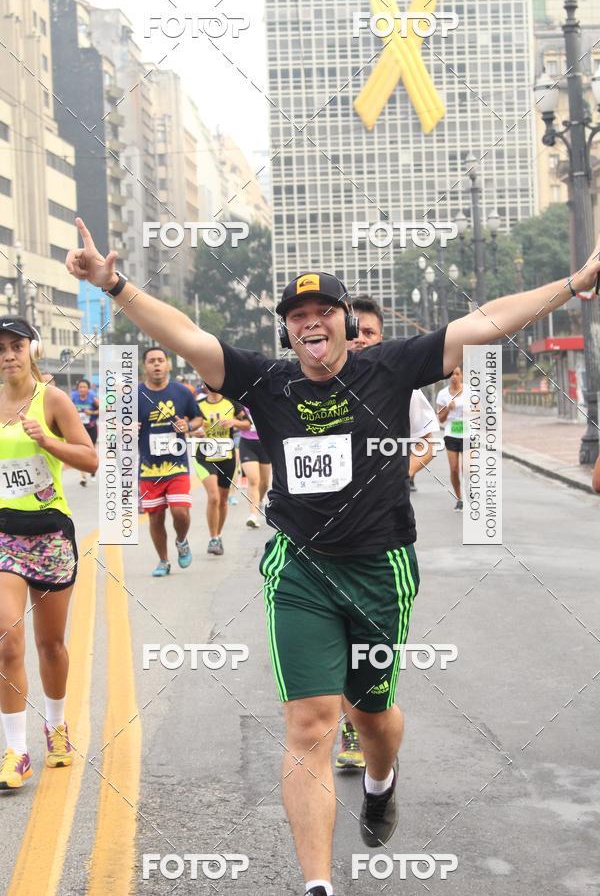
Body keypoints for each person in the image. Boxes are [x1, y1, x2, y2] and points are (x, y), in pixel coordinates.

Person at [66, 218, 600, 896]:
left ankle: (381, 779)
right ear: (287, 330)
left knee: (370, 715)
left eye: (323, 312)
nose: (310, 322)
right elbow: (186, 336)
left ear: (346, 322)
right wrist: (113, 284)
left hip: (379, 569)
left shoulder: (391, 366)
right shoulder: (264, 381)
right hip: (301, 570)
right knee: (309, 724)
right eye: (297, 315)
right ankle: (317, 885)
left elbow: (486, 322)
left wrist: (573, 283)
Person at [335, 296, 440, 772]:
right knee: (334, 643)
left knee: (370, 654)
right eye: (354, 331)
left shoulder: (397, 385)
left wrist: (399, 473)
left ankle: (369, 724)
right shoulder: (312, 384)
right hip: (323, 546)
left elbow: (428, 439)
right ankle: (350, 728)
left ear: (380, 339)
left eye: (370, 333)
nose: (360, 340)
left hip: (382, 543)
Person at [0, 316, 98, 790]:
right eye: (0, 348)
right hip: (4, 536)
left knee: (50, 644)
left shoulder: (53, 400)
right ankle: (15, 751)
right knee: (6, 639)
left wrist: (47, 440)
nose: (8, 355)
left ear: (32, 350)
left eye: (16, 345)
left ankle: (56, 726)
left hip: (50, 536)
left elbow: (91, 459)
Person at [138, 346, 203, 577]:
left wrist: (188, 426)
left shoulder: (182, 392)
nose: (156, 364)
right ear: (144, 366)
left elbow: (198, 419)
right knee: (155, 517)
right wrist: (125, 427)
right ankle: (163, 560)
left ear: (168, 364)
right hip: (149, 468)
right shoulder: (134, 395)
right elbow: (116, 423)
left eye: (160, 360)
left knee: (180, 512)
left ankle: (182, 540)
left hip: (177, 465)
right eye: (151, 361)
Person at [193, 391, 250, 554]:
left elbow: (247, 424)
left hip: (226, 457)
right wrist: (194, 432)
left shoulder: (231, 403)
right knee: (214, 497)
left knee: (223, 500)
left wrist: (234, 422)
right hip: (204, 456)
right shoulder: (198, 405)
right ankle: (213, 538)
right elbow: (187, 427)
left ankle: (218, 535)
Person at [436, 366, 464, 511]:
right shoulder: (442, 394)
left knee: (468, 469)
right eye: (452, 374)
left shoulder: (470, 391)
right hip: (451, 433)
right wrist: (447, 408)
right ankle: (459, 498)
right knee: (454, 469)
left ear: (462, 375)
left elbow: (480, 412)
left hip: (469, 433)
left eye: (457, 374)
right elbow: (441, 419)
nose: (454, 377)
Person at [239, 405, 272, 529]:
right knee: (253, 480)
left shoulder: (266, 399)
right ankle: (253, 515)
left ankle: (259, 500)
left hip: (265, 443)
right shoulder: (240, 400)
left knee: (265, 483)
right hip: (247, 443)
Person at [71, 379, 99, 487]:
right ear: (77, 389)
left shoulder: (93, 397)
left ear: (88, 389)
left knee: (91, 450)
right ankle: (83, 477)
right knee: (80, 451)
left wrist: (91, 412)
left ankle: (92, 470)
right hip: (79, 428)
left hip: (91, 427)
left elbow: (103, 410)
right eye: (80, 387)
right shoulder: (73, 397)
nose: (82, 389)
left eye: (84, 387)